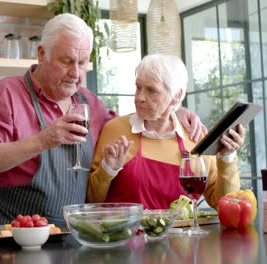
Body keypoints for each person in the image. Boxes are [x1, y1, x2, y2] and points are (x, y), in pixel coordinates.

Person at [0, 14, 204, 226]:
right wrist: (45, 140)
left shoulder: (90, 102)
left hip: (77, 235)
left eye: (82, 63)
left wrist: (174, 110)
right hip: (18, 233)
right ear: (42, 53)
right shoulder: (7, 94)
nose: (75, 73)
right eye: (66, 61)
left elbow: (135, 122)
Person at [87, 54, 243, 210]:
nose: (139, 97)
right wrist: (107, 169)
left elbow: (223, 204)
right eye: (138, 87)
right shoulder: (114, 130)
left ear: (177, 96)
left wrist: (226, 157)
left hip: (181, 234)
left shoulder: (194, 137)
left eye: (152, 91)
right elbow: (91, 200)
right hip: (124, 233)